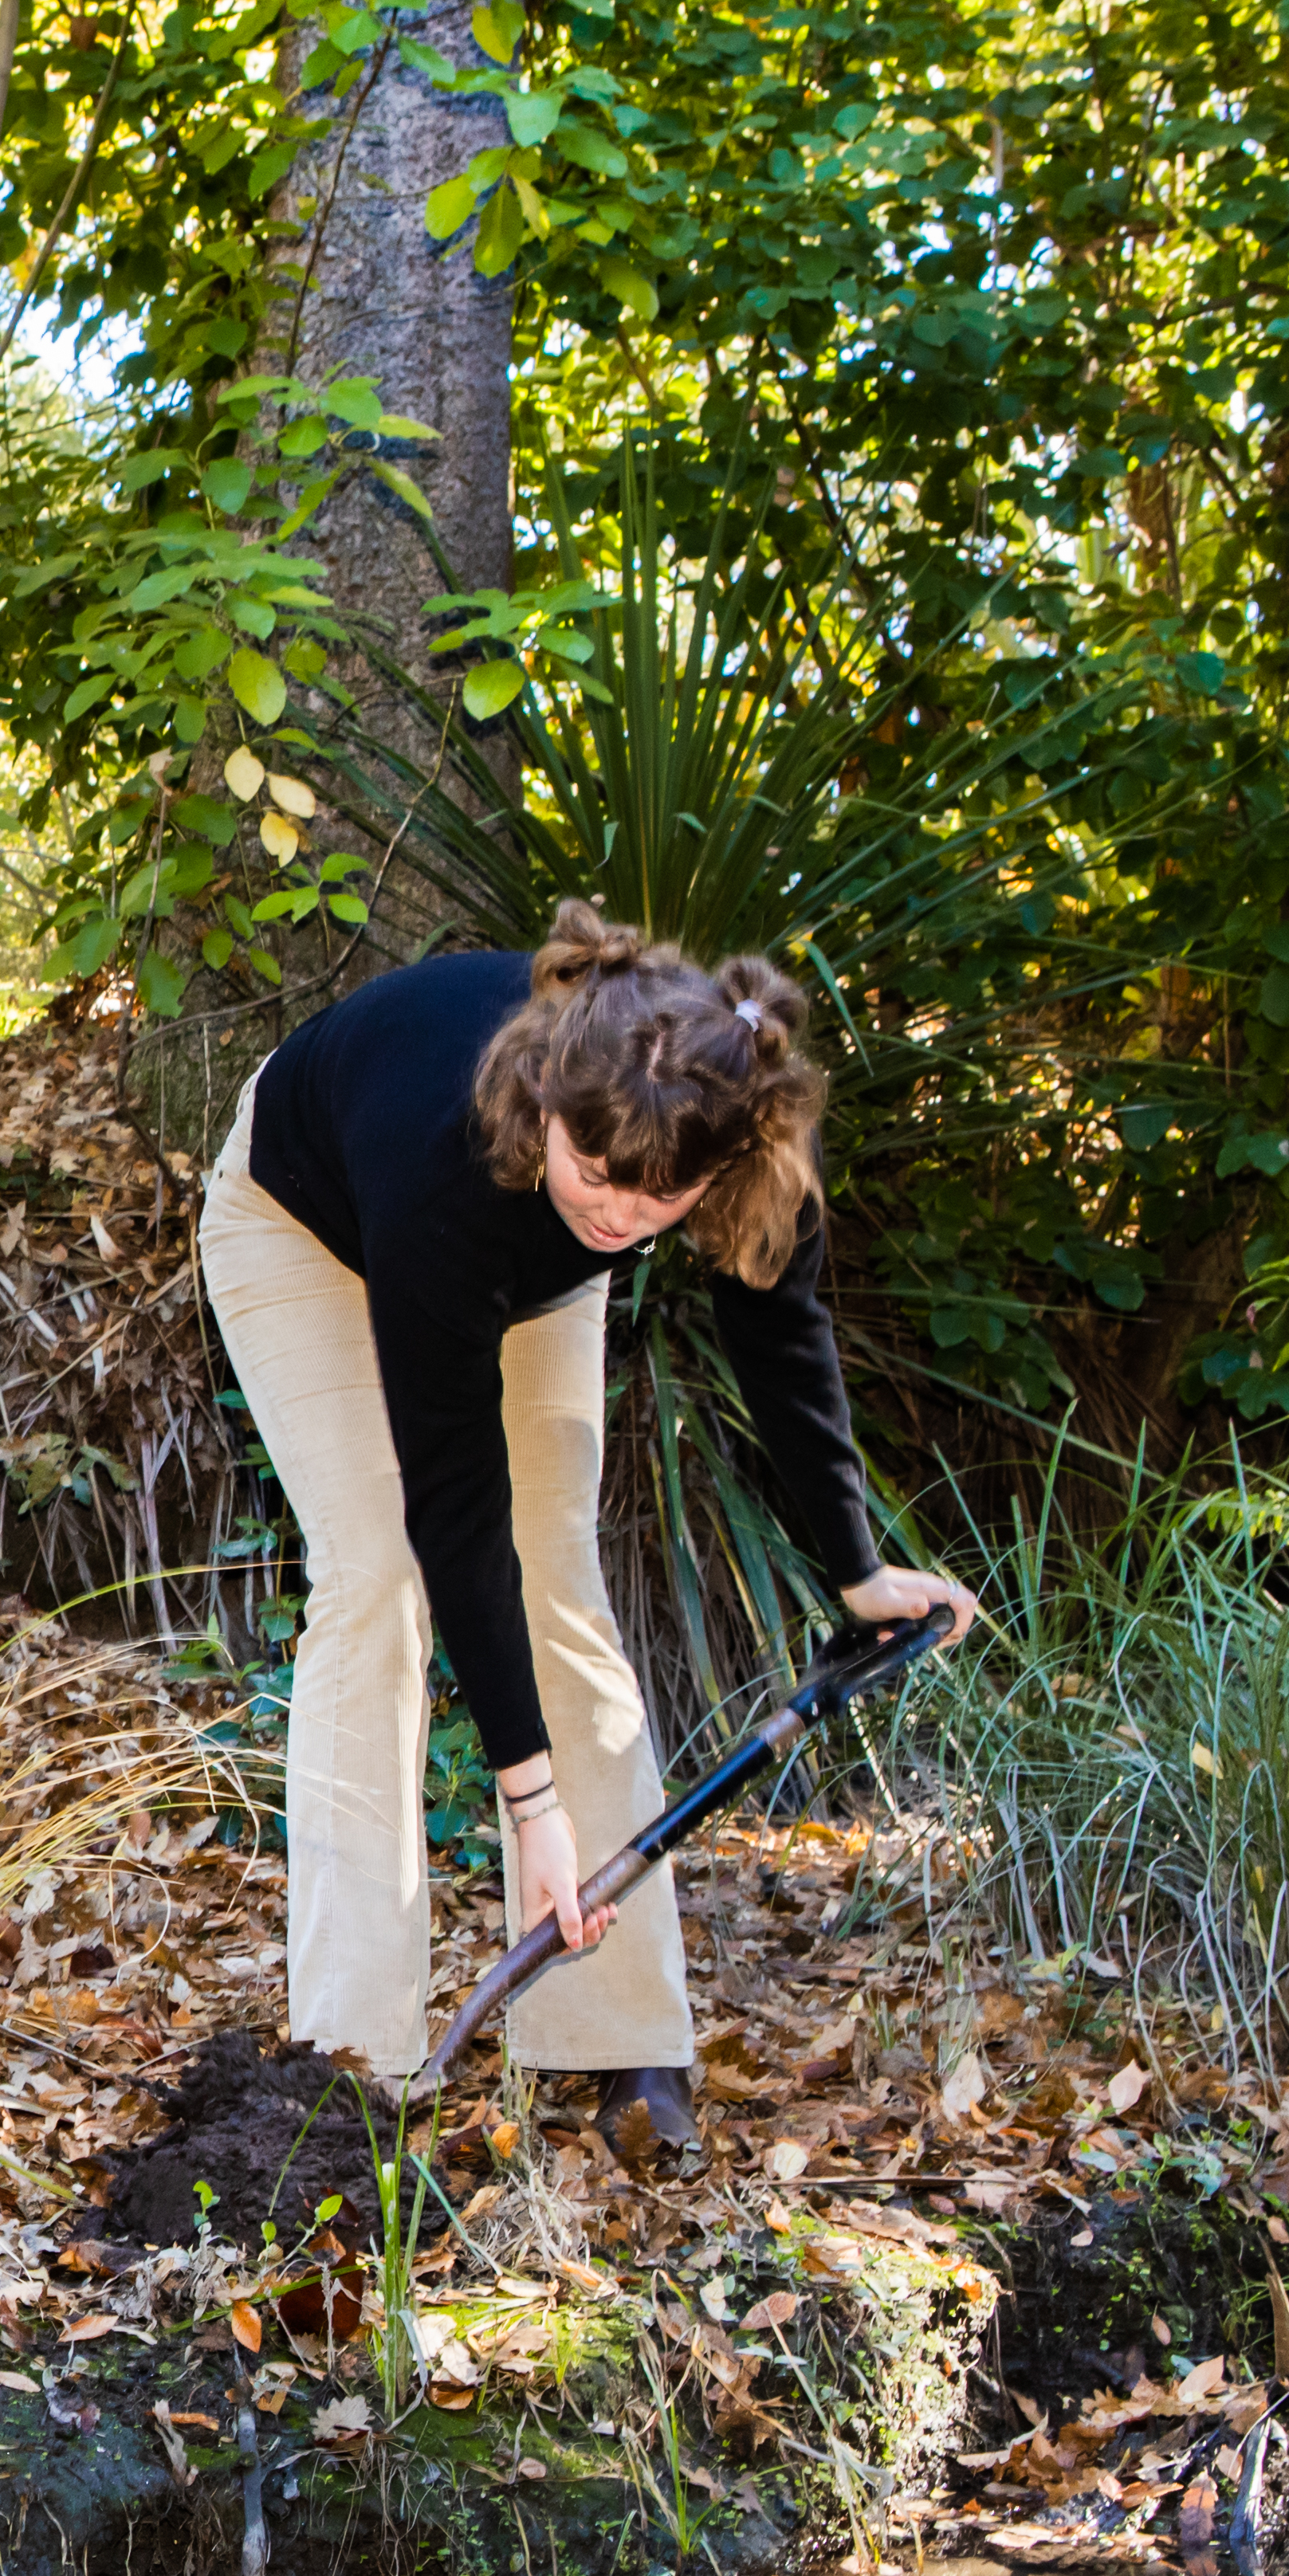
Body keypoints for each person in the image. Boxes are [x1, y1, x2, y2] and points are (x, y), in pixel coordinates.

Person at [201, 903, 982, 2155]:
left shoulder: (715, 1129)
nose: (621, 1213)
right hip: (310, 1223)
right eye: (599, 1174)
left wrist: (857, 1569)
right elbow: (454, 1507)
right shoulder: (447, 1149)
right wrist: (531, 1800)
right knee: (381, 1579)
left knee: (562, 1571)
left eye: (660, 1196)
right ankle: (355, 2063)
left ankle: (619, 2034)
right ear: (549, 1111)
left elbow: (785, 1344)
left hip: (520, 1265)